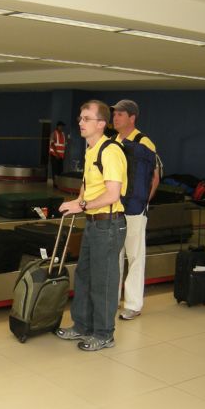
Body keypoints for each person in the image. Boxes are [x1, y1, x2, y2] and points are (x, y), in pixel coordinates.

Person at [56, 100, 127, 351]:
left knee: (103, 280)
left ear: (101, 124)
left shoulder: (111, 151)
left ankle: (104, 334)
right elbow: (88, 188)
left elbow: (112, 194)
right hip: (93, 223)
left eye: (86, 118)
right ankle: (82, 326)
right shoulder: (91, 150)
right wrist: (76, 202)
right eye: (80, 118)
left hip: (109, 225)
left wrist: (82, 206)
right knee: (84, 276)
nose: (80, 122)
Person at [111, 99, 158, 320]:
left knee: (135, 256)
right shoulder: (112, 142)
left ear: (132, 117)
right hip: (113, 208)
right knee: (114, 256)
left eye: (120, 114)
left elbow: (154, 177)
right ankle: (111, 300)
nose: (115, 117)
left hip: (134, 209)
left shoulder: (144, 142)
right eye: (114, 114)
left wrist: (143, 202)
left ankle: (133, 304)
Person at [49, 121, 66, 188]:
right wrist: (57, 154)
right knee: (55, 170)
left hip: (61, 157)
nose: (61, 127)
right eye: (60, 126)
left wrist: (63, 155)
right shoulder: (54, 133)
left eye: (62, 126)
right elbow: (52, 144)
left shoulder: (63, 134)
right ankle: (55, 184)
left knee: (60, 171)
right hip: (54, 156)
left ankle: (59, 184)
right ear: (57, 126)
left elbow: (63, 146)